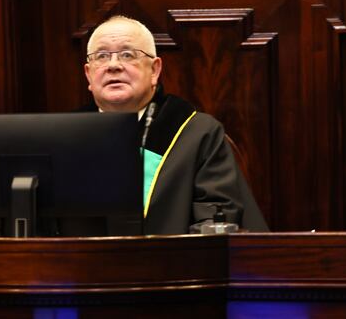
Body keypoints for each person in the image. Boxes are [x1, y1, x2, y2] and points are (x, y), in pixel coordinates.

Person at [80, 15, 268, 234]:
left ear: (155, 71)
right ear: (88, 74)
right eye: (101, 56)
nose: (113, 66)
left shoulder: (197, 134)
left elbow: (216, 220)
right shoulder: (67, 138)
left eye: (127, 55)